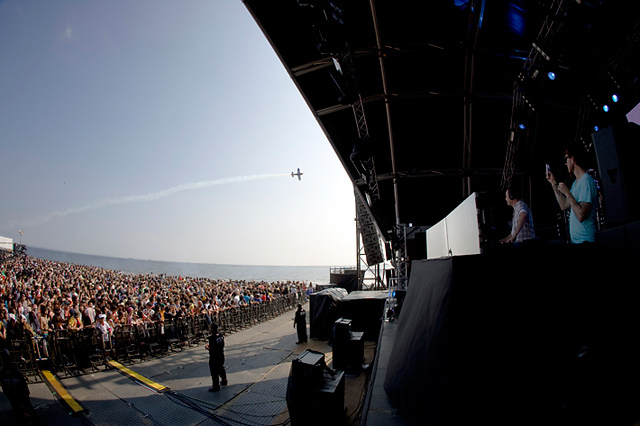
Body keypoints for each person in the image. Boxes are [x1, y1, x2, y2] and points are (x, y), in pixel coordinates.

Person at [546, 144, 598, 243]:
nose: (565, 163)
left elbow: (581, 215)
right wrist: (553, 183)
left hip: (586, 241)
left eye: (566, 159)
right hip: (577, 242)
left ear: (573, 159)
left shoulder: (586, 181)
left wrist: (567, 193)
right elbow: (564, 205)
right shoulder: (575, 183)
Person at [0, 348, 39, 425]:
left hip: (14, 394)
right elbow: (21, 382)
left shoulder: (3, 372)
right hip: (19, 393)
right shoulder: (14, 370)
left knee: (19, 412)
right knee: (26, 409)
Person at [205, 323, 227, 392]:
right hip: (221, 355)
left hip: (214, 357)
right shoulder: (220, 335)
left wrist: (208, 348)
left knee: (214, 372)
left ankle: (216, 386)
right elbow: (222, 344)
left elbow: (212, 349)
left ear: (212, 329)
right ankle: (224, 379)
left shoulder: (212, 338)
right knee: (221, 368)